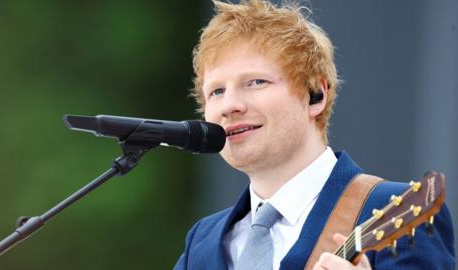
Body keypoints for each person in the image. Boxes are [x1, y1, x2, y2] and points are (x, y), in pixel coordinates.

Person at [174, 0, 455, 269]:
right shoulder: (203, 241)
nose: (230, 105)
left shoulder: (399, 211)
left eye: (256, 82)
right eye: (217, 91)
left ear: (315, 95)